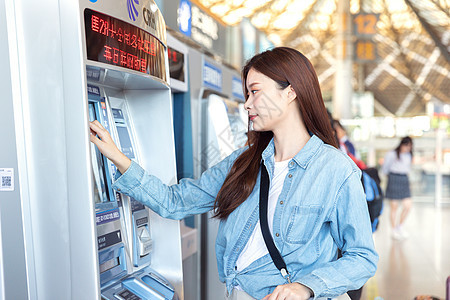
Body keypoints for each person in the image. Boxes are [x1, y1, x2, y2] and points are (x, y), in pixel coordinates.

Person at [90, 47, 378, 300]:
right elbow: (175, 202)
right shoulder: (243, 162)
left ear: (290, 91)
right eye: (247, 94)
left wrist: (305, 287)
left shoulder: (335, 170)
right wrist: (118, 157)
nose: (248, 104)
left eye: (255, 91)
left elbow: (363, 257)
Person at [382, 136, 413, 240]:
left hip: (404, 179)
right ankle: (394, 229)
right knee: (394, 206)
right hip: (394, 178)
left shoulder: (409, 155)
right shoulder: (392, 154)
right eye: (406, 145)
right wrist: (389, 177)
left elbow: (408, 168)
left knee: (407, 205)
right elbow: (385, 168)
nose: (407, 148)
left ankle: (400, 226)